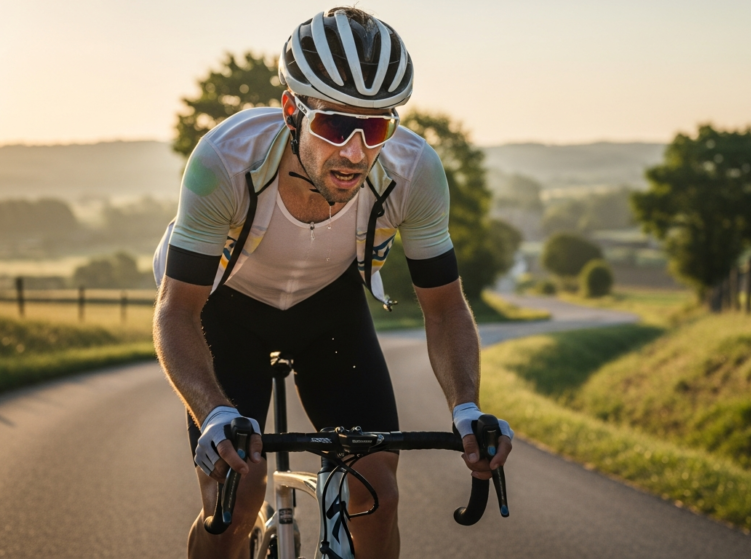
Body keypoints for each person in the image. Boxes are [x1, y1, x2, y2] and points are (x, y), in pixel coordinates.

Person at [152, 7, 513, 559]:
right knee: (235, 495)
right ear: (292, 110)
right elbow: (176, 311)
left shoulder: (414, 172)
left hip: (329, 310)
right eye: (334, 125)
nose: (354, 152)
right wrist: (214, 413)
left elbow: (444, 309)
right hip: (225, 310)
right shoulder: (224, 160)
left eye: (374, 128)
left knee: (378, 493)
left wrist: (466, 409)